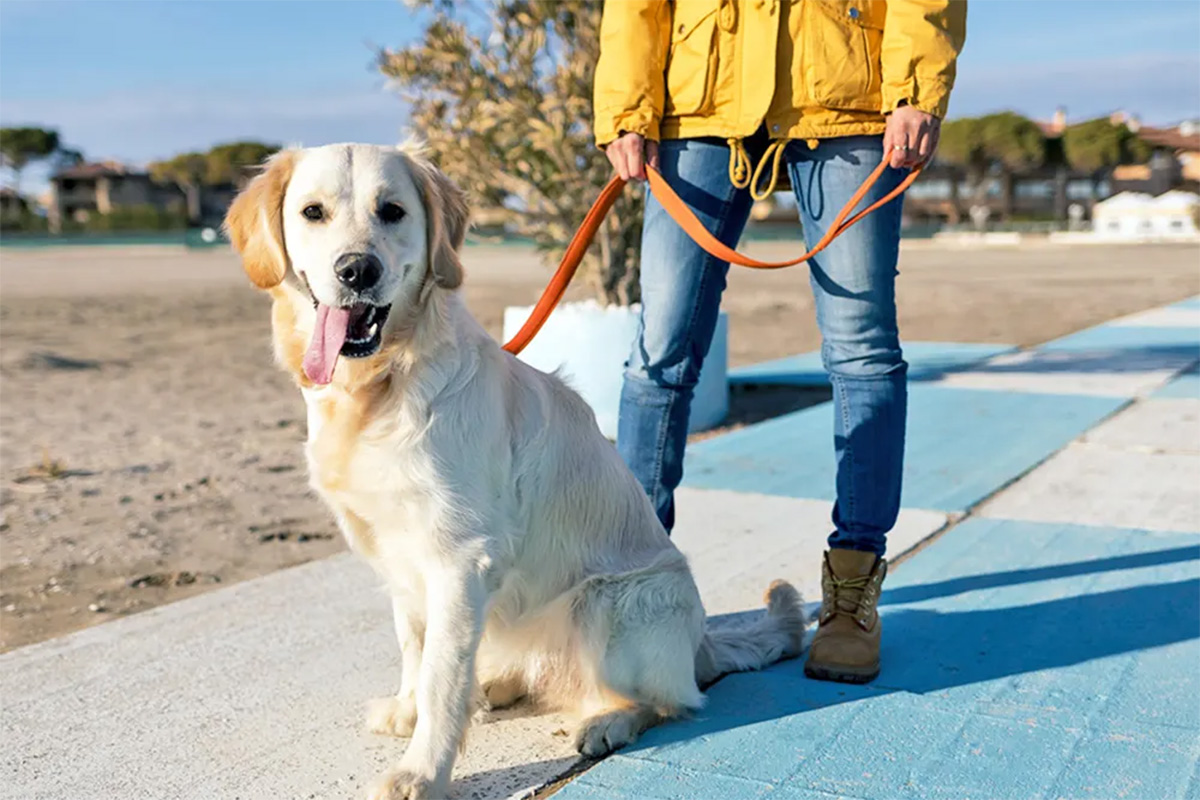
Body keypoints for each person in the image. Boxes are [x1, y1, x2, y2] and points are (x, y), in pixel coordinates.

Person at [593, 0, 967, 684]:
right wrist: (626, 106)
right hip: (699, 97)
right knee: (660, 354)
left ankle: (852, 592)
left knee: (862, 351)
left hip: (849, 89)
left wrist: (915, 86)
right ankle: (630, 588)